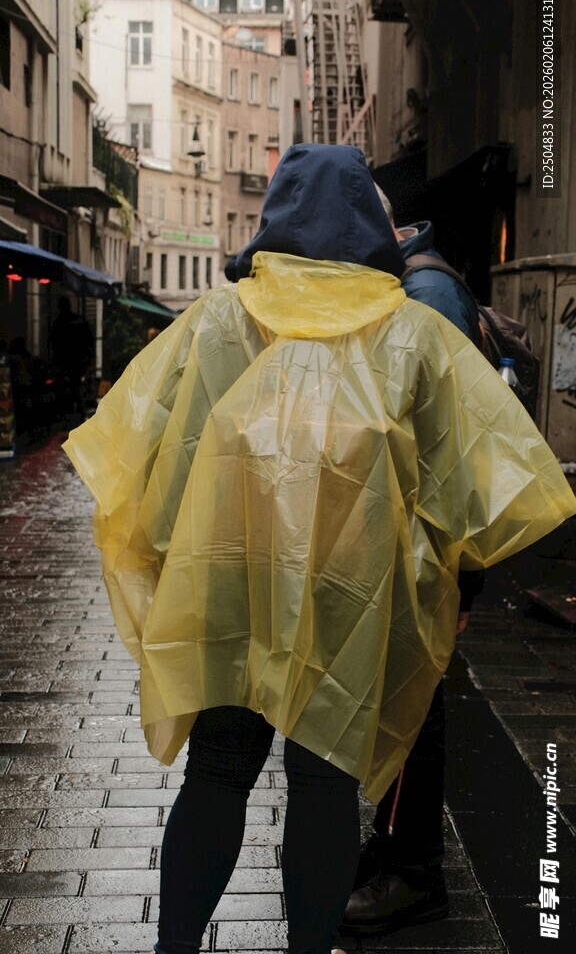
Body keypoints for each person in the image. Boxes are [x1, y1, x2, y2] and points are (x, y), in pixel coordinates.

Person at [62, 144, 576, 954]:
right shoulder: (409, 334)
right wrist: (458, 590)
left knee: (218, 773)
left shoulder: (218, 318)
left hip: (229, 586)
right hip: (349, 600)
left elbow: (155, 452)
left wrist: (174, 566)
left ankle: (174, 948)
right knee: (324, 783)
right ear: (369, 223)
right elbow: (473, 479)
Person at [339, 192, 485, 936]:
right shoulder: (410, 289)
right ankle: (394, 850)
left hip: (423, 548)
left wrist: (464, 577)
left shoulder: (423, 301)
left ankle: (414, 874)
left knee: (414, 705)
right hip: (407, 541)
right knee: (402, 703)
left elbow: (453, 444)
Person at [51, 296, 94, 423]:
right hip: (76, 364)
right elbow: (88, 342)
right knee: (77, 391)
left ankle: (68, 418)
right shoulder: (76, 321)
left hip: (69, 364)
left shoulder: (59, 323)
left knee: (68, 392)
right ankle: (78, 416)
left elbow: (54, 345)